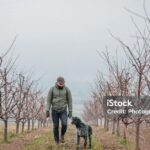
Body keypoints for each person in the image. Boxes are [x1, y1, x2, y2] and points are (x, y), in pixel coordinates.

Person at [46, 76, 72, 144]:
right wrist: (47, 110)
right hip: (54, 110)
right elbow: (48, 100)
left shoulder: (67, 89)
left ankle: (62, 135)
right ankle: (56, 141)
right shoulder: (52, 89)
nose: (61, 85)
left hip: (63, 110)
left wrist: (70, 110)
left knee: (64, 124)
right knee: (56, 126)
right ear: (57, 82)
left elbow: (70, 101)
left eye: (62, 84)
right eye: (60, 84)